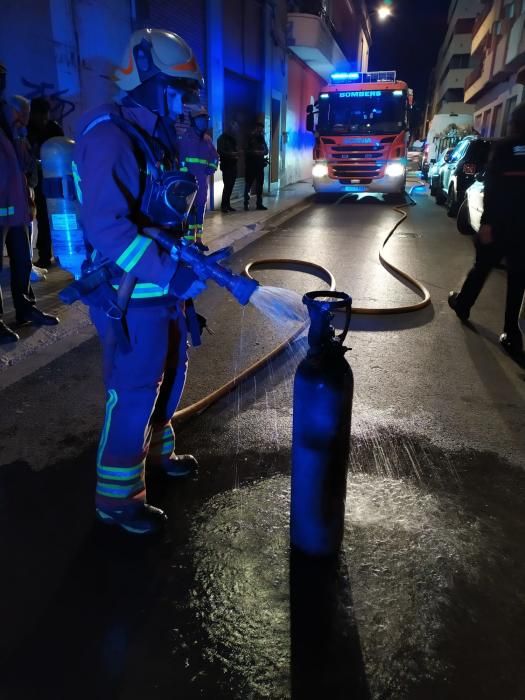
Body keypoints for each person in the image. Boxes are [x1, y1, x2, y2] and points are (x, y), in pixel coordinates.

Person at [73, 28, 208, 535]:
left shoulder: (157, 133)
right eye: (179, 88)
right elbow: (107, 227)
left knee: (171, 375)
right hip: (128, 294)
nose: (186, 100)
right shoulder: (109, 134)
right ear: (149, 79)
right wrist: (169, 273)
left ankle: (160, 452)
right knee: (133, 391)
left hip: (161, 291)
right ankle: (118, 498)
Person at [449, 102, 525, 357]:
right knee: (518, 279)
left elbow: (491, 187)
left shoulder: (504, 148)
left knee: (482, 267)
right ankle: (512, 333)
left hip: (501, 223)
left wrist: (487, 224)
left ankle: (463, 304)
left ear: (513, 123)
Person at [0, 63, 59, 344]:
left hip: (17, 207)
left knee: (23, 260)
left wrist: (22, 137)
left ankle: (25, 308)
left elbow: (23, 166)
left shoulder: (9, 119)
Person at [28, 96, 64, 269]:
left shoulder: (52, 128)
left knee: (55, 217)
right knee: (43, 219)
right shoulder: (31, 129)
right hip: (42, 180)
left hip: (52, 178)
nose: (42, 119)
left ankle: (57, 254)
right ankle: (45, 256)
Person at [177, 106, 218, 250]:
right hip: (189, 184)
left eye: (206, 120)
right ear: (194, 121)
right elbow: (181, 162)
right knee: (189, 213)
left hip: (202, 183)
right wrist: (184, 182)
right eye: (201, 120)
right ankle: (189, 243)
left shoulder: (207, 141)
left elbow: (215, 157)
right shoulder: (186, 139)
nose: (204, 123)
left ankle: (199, 240)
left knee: (200, 211)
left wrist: (211, 168)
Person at [244, 120, 268, 211]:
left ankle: (259, 204)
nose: (261, 131)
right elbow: (246, 150)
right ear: (256, 128)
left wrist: (262, 152)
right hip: (251, 165)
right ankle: (246, 203)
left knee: (260, 185)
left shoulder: (262, 138)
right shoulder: (249, 138)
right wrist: (255, 152)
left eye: (262, 130)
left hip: (260, 165)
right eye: (260, 129)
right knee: (248, 185)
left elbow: (266, 151)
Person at [217, 119, 240, 213]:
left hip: (233, 165)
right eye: (234, 127)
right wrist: (233, 154)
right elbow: (221, 152)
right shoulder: (221, 139)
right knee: (227, 186)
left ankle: (228, 205)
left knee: (231, 186)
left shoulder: (232, 139)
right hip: (226, 166)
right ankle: (223, 206)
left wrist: (237, 154)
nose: (236, 129)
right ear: (229, 127)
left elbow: (235, 151)